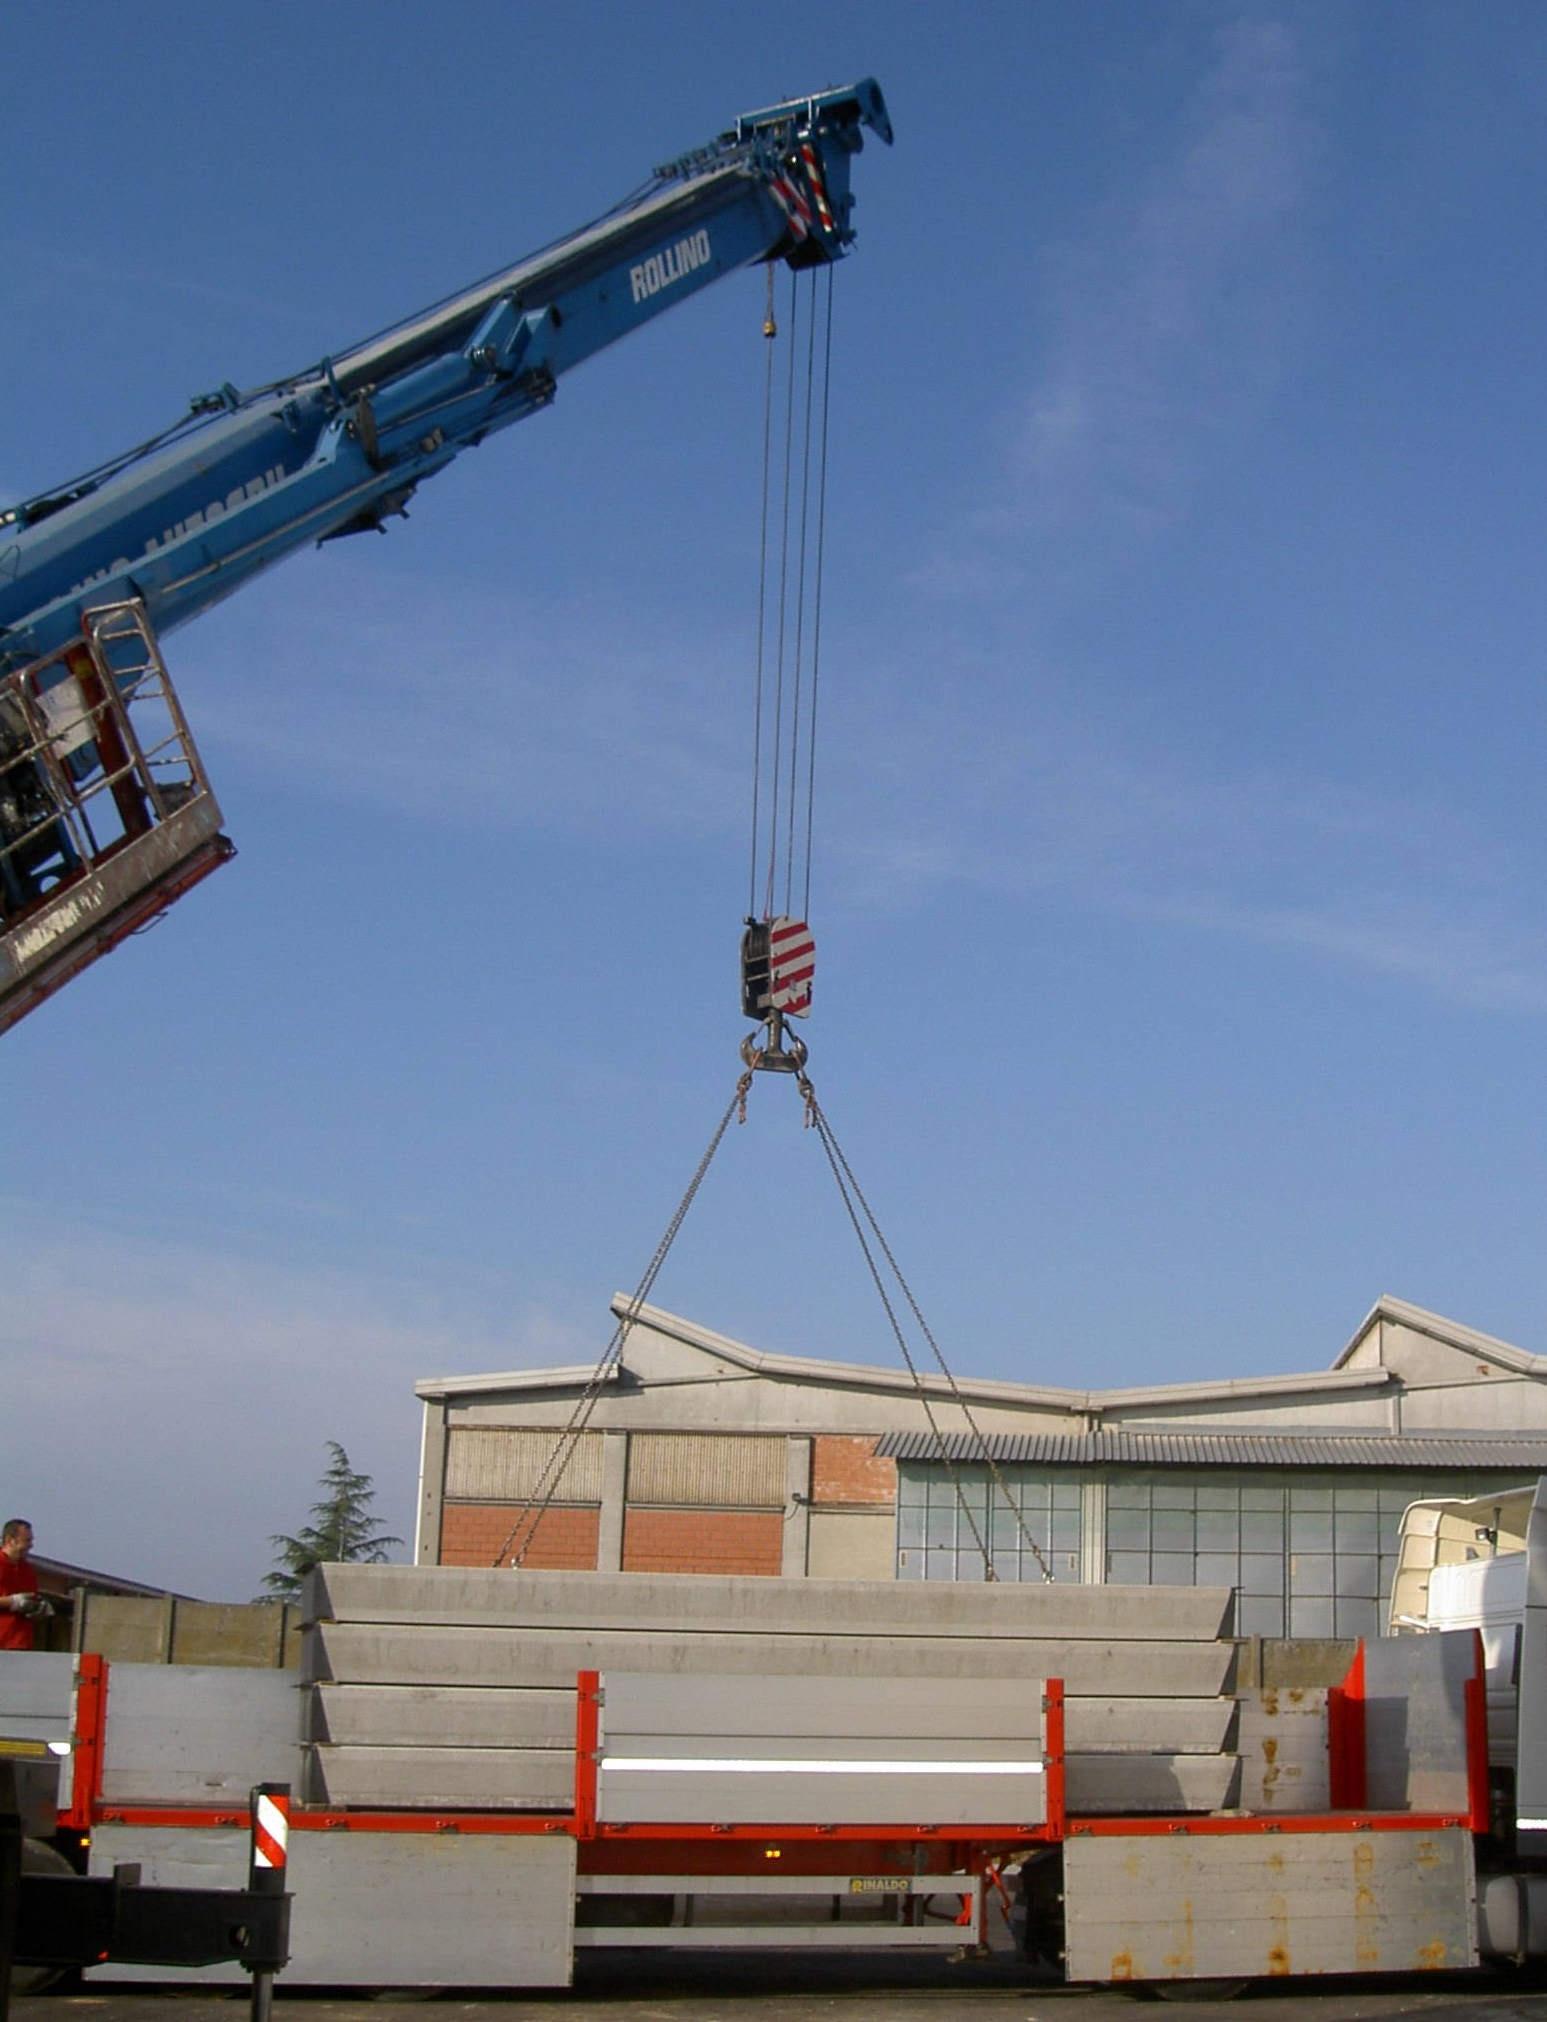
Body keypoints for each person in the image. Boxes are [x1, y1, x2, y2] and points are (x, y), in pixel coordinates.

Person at [0, 1517, 49, 1650]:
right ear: (11, 1540)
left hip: (21, 1644)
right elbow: (17, 1602)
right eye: (27, 1540)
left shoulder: (27, 1570)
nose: (30, 1545)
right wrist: (13, 1602)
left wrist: (37, 1607)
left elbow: (31, 1597)